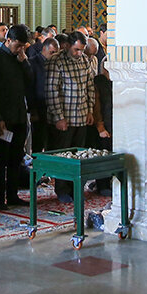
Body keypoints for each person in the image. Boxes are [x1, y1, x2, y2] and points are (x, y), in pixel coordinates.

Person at [43, 31, 109, 201]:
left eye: (81, 50)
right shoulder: (56, 62)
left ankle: (74, 187)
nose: (79, 53)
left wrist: (89, 110)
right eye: (76, 50)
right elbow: (52, 91)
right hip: (64, 117)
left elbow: (89, 88)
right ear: (68, 46)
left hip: (80, 116)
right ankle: (63, 189)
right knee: (64, 155)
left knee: (77, 155)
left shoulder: (85, 61)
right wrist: (59, 117)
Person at [0, 24, 33, 210]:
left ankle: (12, 195)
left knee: (16, 158)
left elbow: (29, 81)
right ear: (9, 40)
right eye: (18, 45)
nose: (20, 49)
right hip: (3, 118)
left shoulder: (19, 60)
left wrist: (24, 61)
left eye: (24, 46)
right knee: (1, 160)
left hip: (20, 115)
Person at [28, 35, 58, 153]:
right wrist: (33, 110)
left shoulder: (56, 63)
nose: (54, 55)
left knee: (52, 140)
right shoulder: (33, 63)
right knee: (38, 140)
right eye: (52, 52)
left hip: (52, 108)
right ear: (44, 49)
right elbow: (30, 88)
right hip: (39, 107)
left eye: (56, 53)